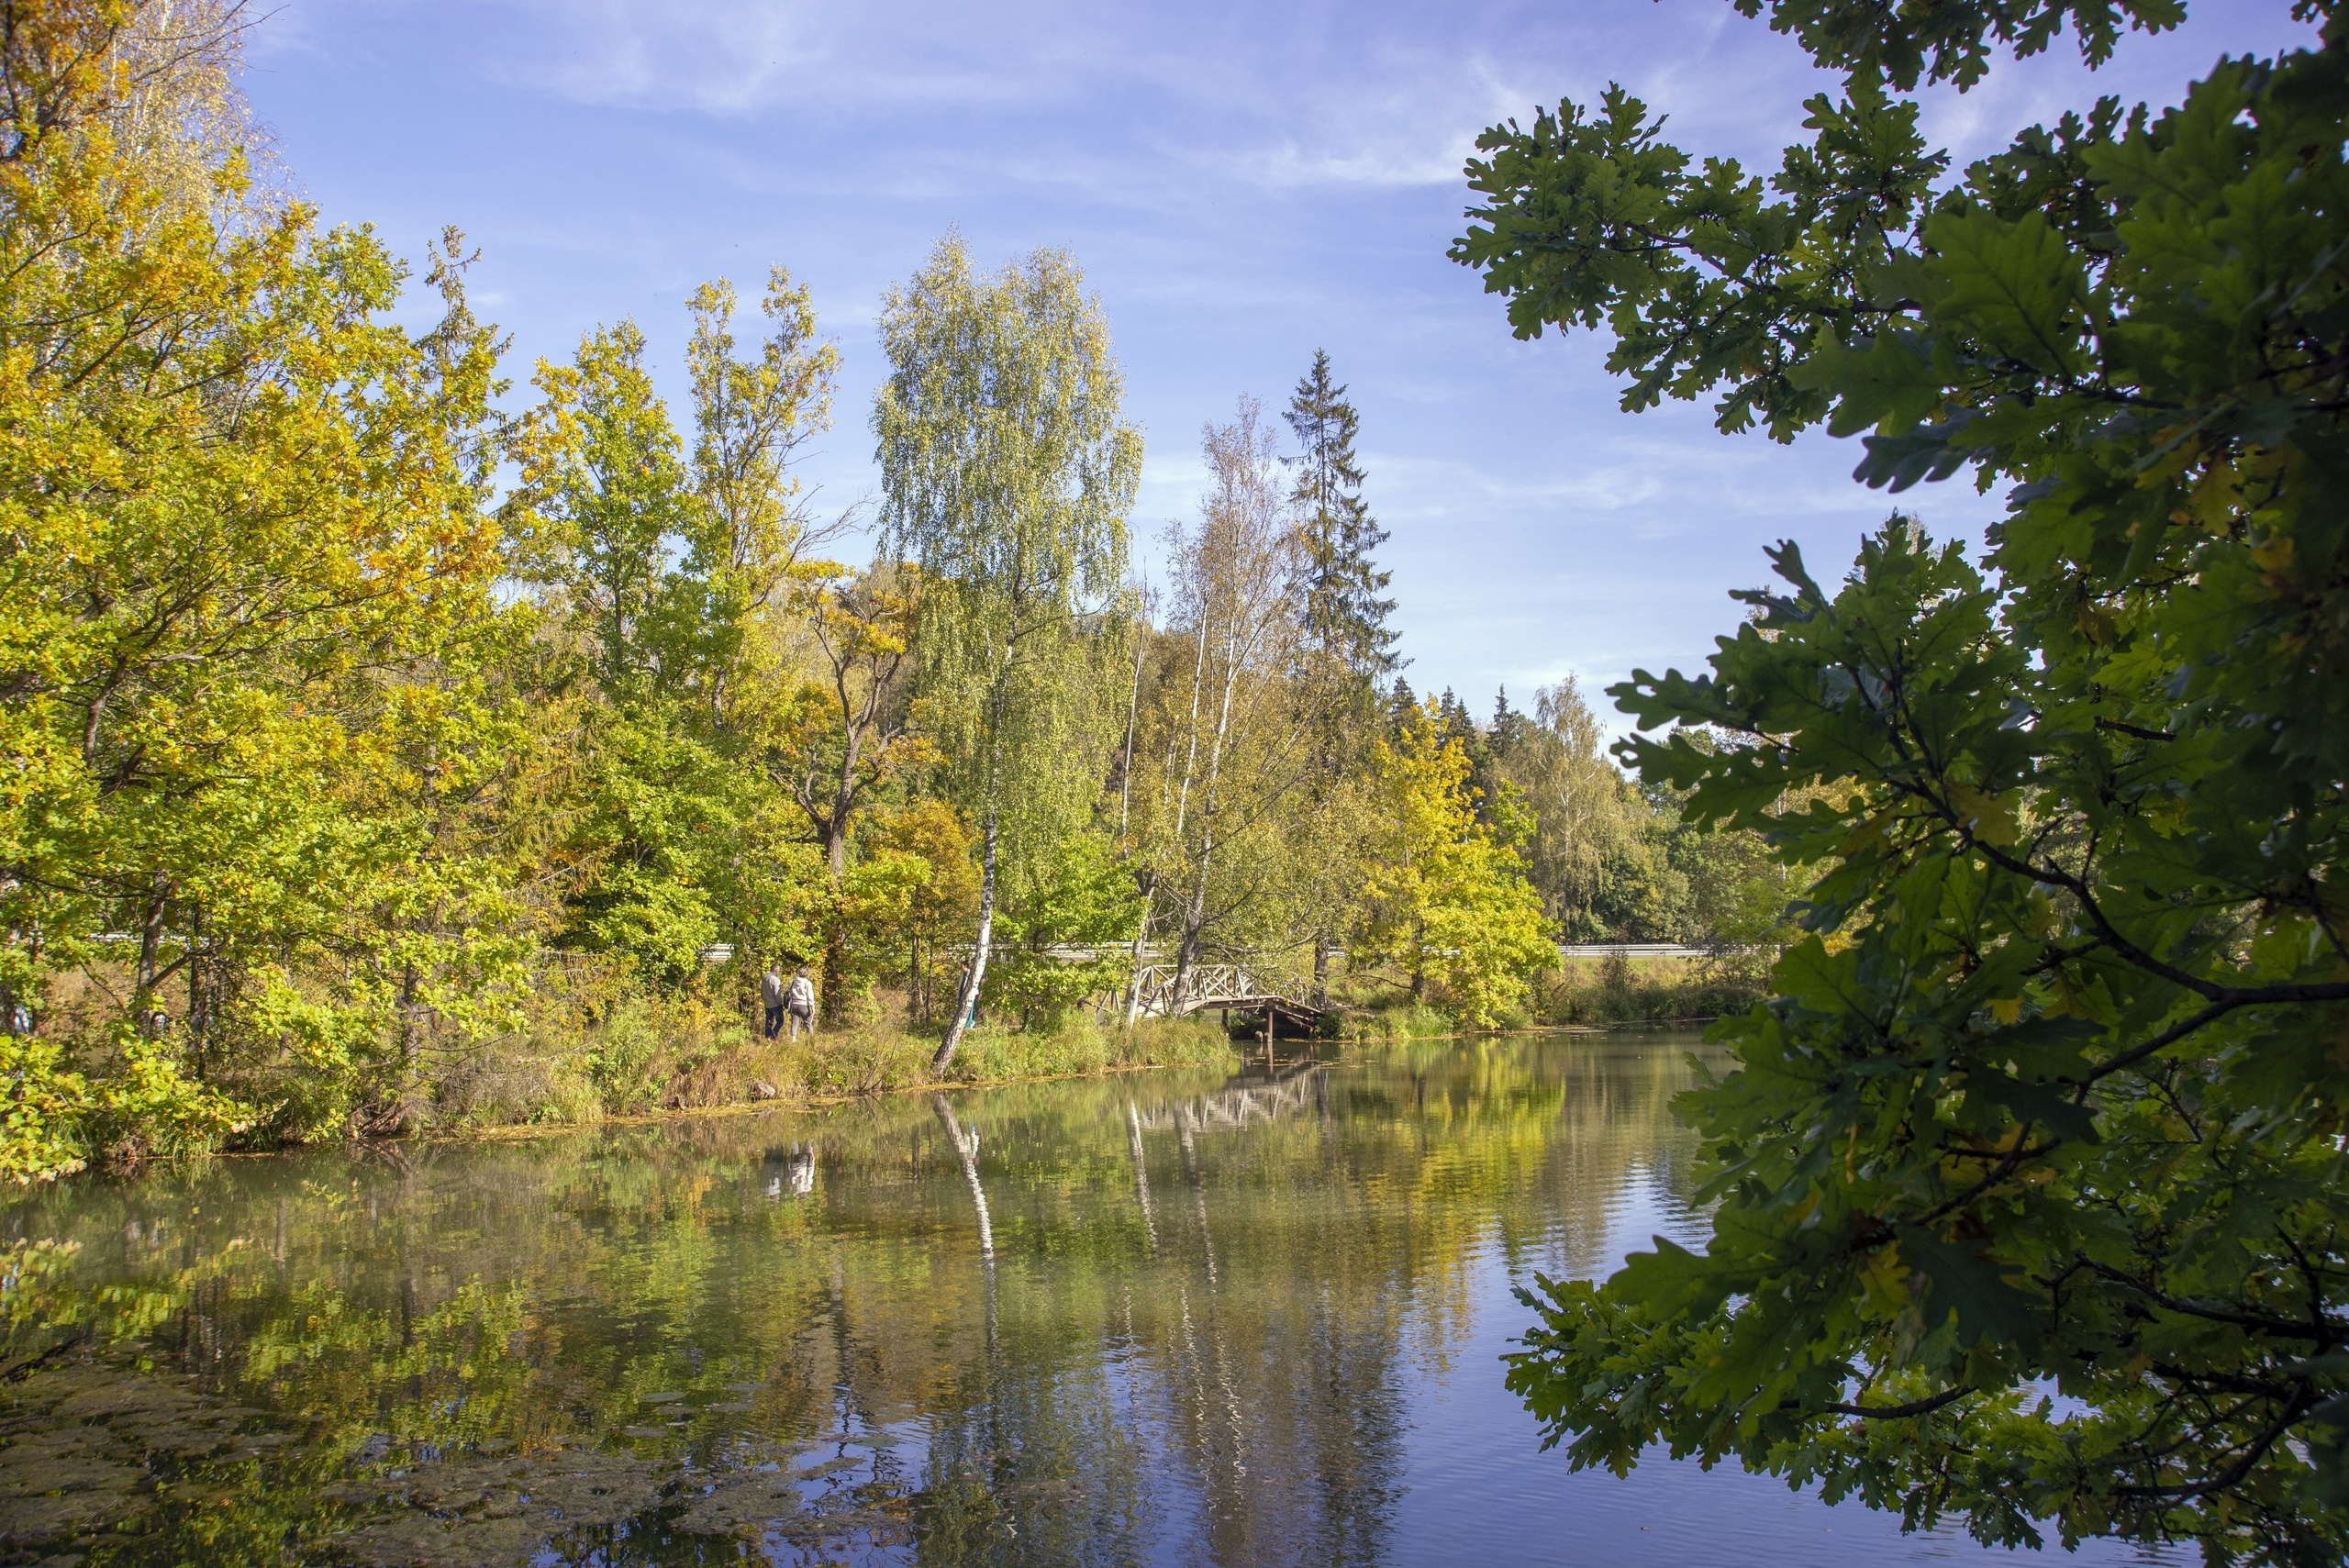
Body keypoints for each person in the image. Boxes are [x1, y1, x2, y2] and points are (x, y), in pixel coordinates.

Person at [785, 966, 817, 1041]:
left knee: (794, 1022)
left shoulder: (793, 981)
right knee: (808, 1023)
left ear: (798, 974)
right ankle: (811, 1039)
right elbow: (810, 996)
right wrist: (812, 1006)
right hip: (803, 1005)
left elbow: (788, 991)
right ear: (807, 974)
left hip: (794, 1004)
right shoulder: (807, 983)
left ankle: (793, 1039)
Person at [761, 965, 785, 1040]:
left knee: (769, 1022)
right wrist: (781, 1002)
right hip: (775, 1004)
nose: (779, 972)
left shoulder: (764, 978)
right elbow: (777, 993)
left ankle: (767, 1036)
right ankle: (772, 1036)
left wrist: (765, 1000)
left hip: (767, 1004)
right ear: (776, 970)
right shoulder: (775, 979)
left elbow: (762, 992)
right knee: (780, 1021)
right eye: (779, 970)